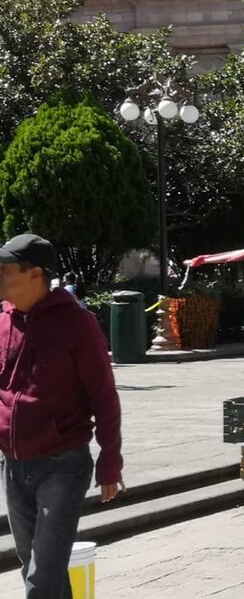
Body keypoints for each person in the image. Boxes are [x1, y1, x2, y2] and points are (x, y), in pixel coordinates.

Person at [0, 234, 124, 597]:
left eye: (5, 270)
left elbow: (104, 396)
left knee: (43, 572)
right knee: (35, 566)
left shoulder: (77, 324)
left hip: (62, 463)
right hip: (13, 463)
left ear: (35, 274)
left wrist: (110, 463)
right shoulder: (4, 322)